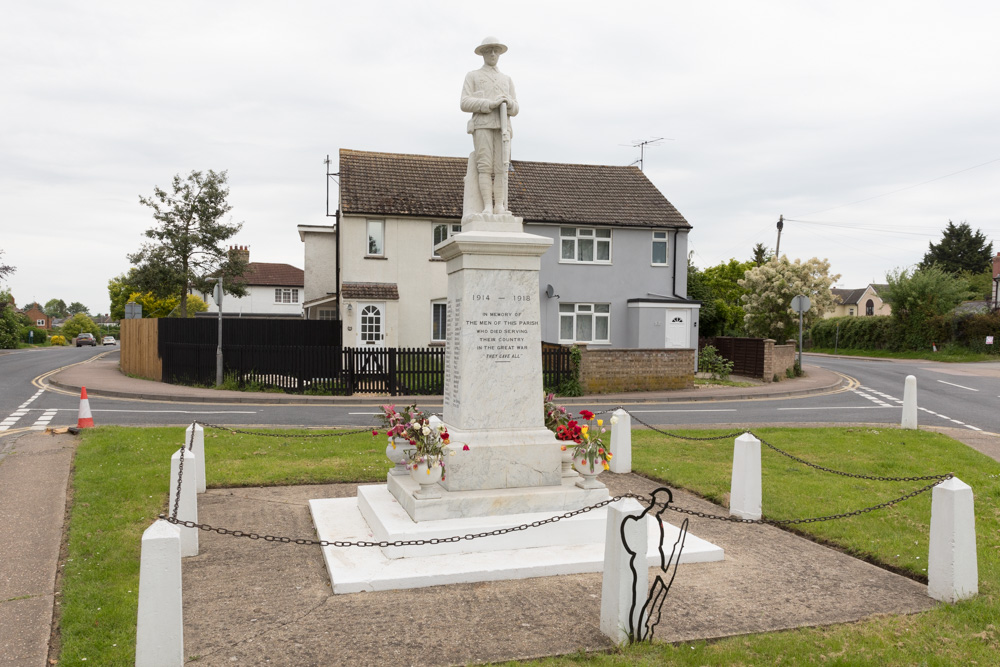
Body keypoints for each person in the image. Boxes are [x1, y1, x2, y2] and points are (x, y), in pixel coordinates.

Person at [461, 36, 519, 216]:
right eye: (489, 50)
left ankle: (499, 206)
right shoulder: (473, 76)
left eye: (496, 50)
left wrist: (508, 103)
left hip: (503, 127)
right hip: (482, 126)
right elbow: (464, 102)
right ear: (483, 53)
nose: (493, 54)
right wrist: (490, 104)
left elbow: (516, 108)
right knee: (484, 166)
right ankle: (487, 206)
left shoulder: (507, 79)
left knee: (502, 167)